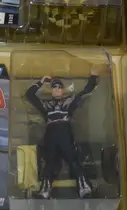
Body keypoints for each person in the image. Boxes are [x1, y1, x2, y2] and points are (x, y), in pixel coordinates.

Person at [24, 69, 100, 199]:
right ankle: (45, 190)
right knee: (50, 162)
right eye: (54, 87)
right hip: (51, 134)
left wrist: (93, 77)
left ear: (63, 90)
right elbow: (29, 95)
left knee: (73, 159)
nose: (57, 90)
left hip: (65, 133)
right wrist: (41, 82)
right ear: (51, 90)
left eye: (59, 87)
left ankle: (84, 187)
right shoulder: (46, 104)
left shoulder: (69, 102)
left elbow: (85, 92)